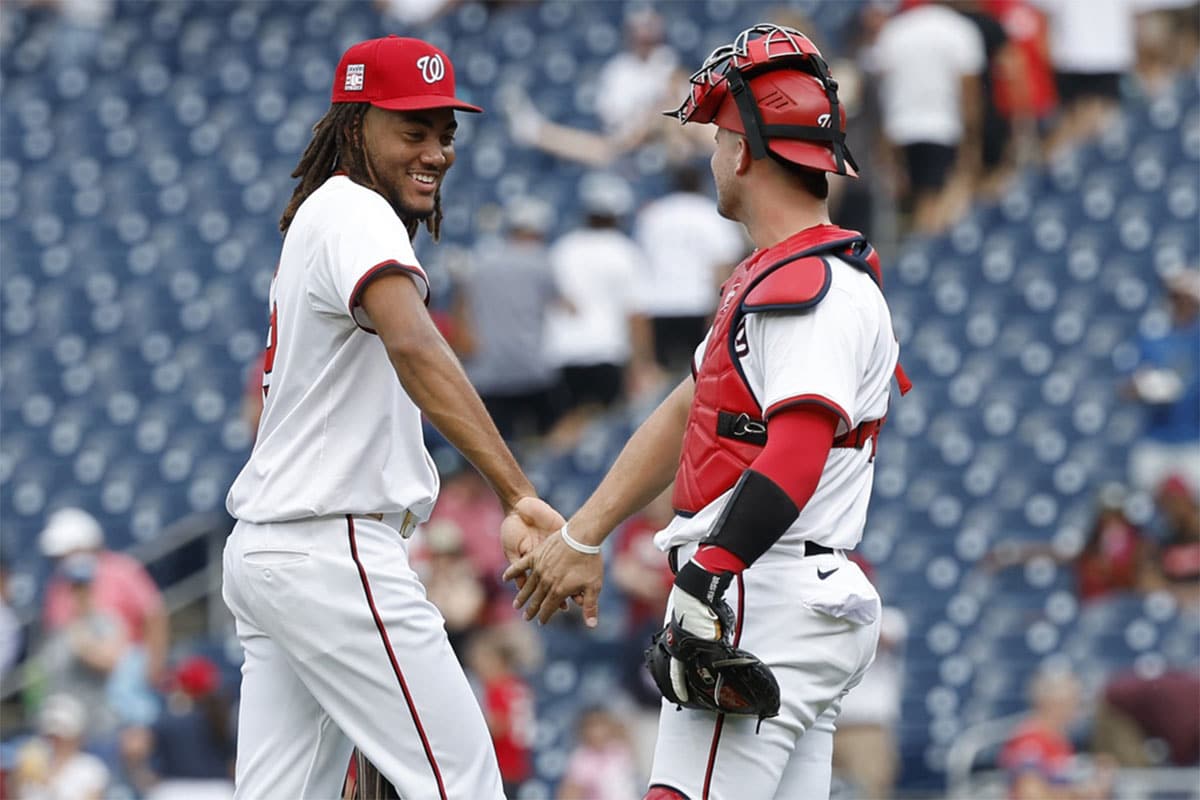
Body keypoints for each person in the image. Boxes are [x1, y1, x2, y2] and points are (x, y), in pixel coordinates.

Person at [506, 23, 910, 800]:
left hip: (762, 585)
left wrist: (711, 574)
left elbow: (795, 450)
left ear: (750, 151)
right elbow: (687, 409)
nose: (713, 153)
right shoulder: (776, 276)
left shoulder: (809, 290)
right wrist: (582, 533)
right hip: (788, 588)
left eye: (722, 135)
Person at [221, 36, 563, 800]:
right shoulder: (354, 211)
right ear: (354, 127)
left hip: (278, 553)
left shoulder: (326, 216)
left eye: (444, 133)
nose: (435, 151)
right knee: (464, 783)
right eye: (411, 130)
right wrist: (516, 492)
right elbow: (415, 345)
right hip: (332, 547)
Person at [867, 0, 986, 233]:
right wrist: (972, 140)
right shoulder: (958, 29)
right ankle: (921, 256)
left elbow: (880, 88)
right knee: (934, 201)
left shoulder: (896, 30)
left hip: (898, 127)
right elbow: (969, 91)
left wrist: (881, 140)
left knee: (912, 204)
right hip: (941, 127)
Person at [632, 164, 747, 375]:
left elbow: (641, 264)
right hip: (698, 305)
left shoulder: (654, 215)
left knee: (665, 377)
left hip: (660, 306)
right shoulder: (710, 213)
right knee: (699, 374)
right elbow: (722, 268)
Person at [38, 507, 169, 687]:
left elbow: (153, 615)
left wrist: (153, 666)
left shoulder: (122, 570)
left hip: (126, 667)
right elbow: (60, 634)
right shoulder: (57, 586)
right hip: (79, 675)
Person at [1122, 268, 1200, 497]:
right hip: (1156, 441)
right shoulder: (1152, 338)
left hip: (1193, 440)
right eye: (1176, 298)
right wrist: (1146, 388)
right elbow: (1126, 388)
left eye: (1186, 298)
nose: (1181, 305)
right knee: (1144, 500)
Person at [999, 668, 1114, 800]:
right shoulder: (1030, 740)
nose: (1076, 710)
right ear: (1052, 703)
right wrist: (1079, 794)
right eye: (1073, 701)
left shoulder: (1058, 740)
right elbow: (1030, 795)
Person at [13, 693, 110, 800]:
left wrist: (49, 784)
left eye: (61, 737)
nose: (55, 742)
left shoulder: (91, 769)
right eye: (51, 736)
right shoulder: (31, 762)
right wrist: (17, 780)